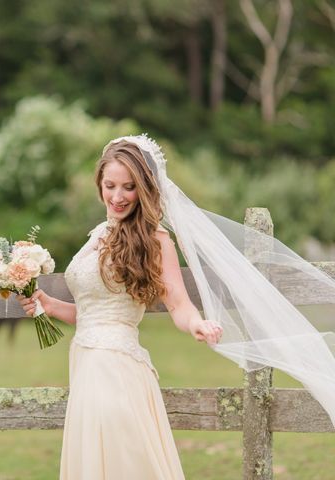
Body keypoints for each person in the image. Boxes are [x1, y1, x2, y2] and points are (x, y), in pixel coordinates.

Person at [17, 136, 223, 479]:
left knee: (123, 462)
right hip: (86, 362)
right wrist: (50, 305)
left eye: (128, 187)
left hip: (116, 368)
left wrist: (196, 324)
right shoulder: (97, 233)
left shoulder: (155, 239)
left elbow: (178, 302)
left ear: (143, 189)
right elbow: (94, 314)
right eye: (110, 185)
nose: (117, 196)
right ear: (99, 183)